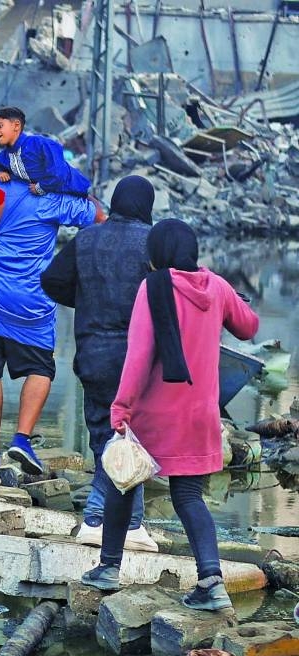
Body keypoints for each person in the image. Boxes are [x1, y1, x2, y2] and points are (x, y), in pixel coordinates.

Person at [80, 219, 259, 611]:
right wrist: (236, 301)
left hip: (156, 412)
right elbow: (249, 328)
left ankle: (109, 568)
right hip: (200, 414)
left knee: (122, 482)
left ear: (157, 253)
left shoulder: (154, 286)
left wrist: (121, 405)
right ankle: (211, 584)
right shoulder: (216, 286)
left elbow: (140, 353)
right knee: (189, 496)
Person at [40, 175, 159, 553]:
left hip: (92, 350)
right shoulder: (152, 242)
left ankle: (109, 521)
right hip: (137, 353)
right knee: (134, 435)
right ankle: (107, 520)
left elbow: (52, 280)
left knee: (104, 434)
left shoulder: (88, 237)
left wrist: (88, 299)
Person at [0, 179, 103, 477]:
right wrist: (78, 189)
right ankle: (22, 439)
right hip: (31, 304)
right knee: (41, 369)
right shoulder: (49, 197)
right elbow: (98, 217)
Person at [0, 106, 94, 200]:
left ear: (16, 125)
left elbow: (58, 173)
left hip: (71, 192)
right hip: (44, 200)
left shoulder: (40, 144)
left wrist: (40, 187)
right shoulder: (4, 156)